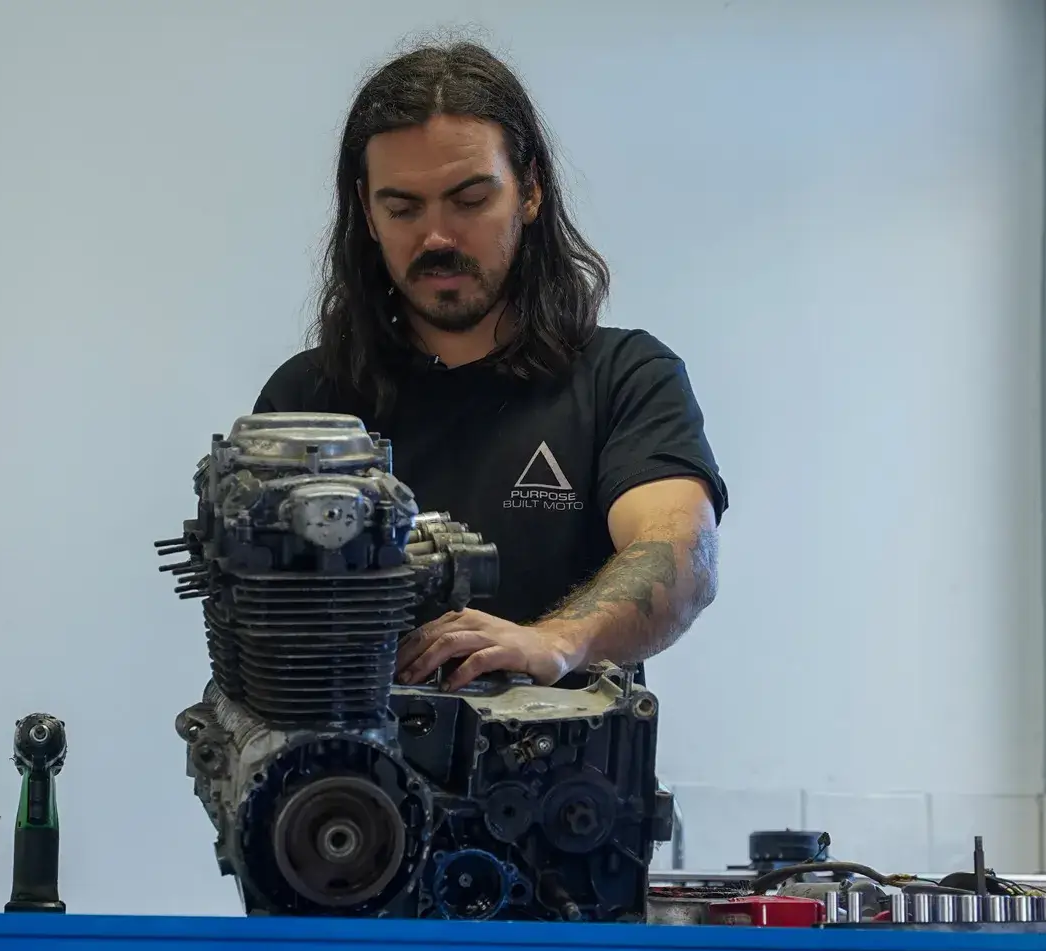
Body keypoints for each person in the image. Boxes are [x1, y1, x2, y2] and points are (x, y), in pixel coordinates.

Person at [254, 40, 728, 692]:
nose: (437, 237)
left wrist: (556, 640)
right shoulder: (306, 400)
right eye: (403, 208)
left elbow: (679, 550)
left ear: (530, 191)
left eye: (470, 200)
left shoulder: (625, 378)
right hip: (344, 757)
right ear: (367, 211)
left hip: (554, 754)